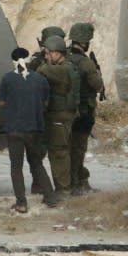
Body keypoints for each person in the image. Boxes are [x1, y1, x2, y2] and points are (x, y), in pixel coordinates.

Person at [0, 47, 57, 213]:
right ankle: (50, 197)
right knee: (37, 163)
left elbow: (3, 103)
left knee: (16, 167)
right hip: (34, 128)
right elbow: (46, 101)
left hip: (14, 130)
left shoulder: (7, 79)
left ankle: (21, 203)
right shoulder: (40, 79)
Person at [36, 35, 79, 198]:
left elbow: (43, 70)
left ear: (56, 53)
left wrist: (39, 63)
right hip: (62, 115)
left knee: (59, 152)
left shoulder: (63, 69)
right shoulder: (67, 66)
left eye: (48, 53)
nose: (46, 57)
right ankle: (64, 187)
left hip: (60, 116)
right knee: (60, 150)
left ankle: (63, 189)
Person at [65, 23, 104, 195]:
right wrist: (97, 72)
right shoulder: (86, 63)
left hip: (64, 111)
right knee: (79, 149)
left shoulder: (62, 57)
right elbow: (98, 86)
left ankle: (70, 182)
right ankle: (76, 184)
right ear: (83, 43)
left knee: (66, 148)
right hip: (83, 113)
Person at [26, 25, 64, 195]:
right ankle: (39, 182)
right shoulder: (35, 62)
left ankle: (42, 183)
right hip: (43, 111)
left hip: (47, 110)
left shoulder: (38, 62)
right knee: (40, 150)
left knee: (51, 150)